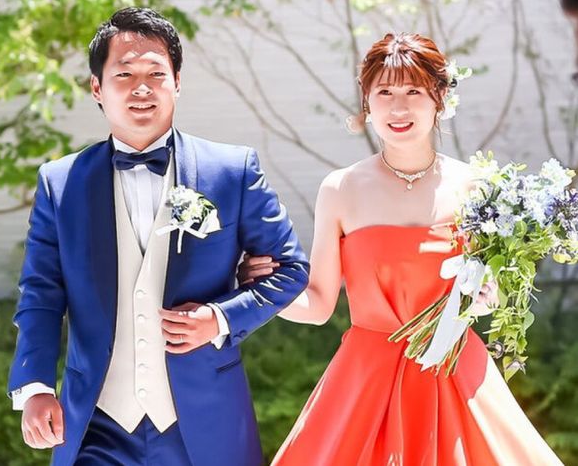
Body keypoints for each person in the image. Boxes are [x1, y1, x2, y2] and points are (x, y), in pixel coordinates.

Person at [238, 33, 563, 465]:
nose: (398, 108)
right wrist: (261, 290)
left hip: (453, 368)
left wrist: (488, 297)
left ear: (439, 99)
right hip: (365, 379)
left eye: (414, 92)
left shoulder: (477, 187)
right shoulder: (340, 189)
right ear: (367, 102)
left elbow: (492, 295)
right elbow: (317, 305)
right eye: (385, 93)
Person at [7, 7, 309, 466]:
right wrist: (35, 387)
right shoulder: (60, 183)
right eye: (124, 74)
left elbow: (291, 270)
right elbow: (41, 294)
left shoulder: (231, 170)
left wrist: (219, 318)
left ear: (177, 82)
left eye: (155, 73)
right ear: (97, 87)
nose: (141, 87)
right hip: (96, 424)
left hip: (204, 420)